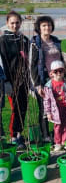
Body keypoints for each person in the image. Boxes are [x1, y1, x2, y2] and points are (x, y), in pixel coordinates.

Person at [30, 15, 63, 143]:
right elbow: (32, 65)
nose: (46, 28)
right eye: (44, 25)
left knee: (59, 106)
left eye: (48, 25)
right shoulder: (35, 43)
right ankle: (45, 135)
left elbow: (61, 59)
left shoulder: (55, 41)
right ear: (39, 28)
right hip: (43, 80)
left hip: (57, 79)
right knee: (44, 108)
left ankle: (58, 133)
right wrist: (37, 84)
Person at [0, 11, 30, 149]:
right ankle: (13, 135)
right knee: (16, 108)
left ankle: (19, 133)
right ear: (7, 23)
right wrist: (7, 81)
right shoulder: (3, 40)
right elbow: (3, 62)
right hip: (12, 80)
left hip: (24, 79)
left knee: (23, 107)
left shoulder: (23, 39)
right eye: (12, 23)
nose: (15, 25)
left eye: (17, 22)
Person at [43, 60, 66, 152]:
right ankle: (57, 143)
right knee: (57, 127)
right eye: (56, 71)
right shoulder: (48, 86)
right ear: (51, 73)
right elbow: (46, 100)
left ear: (64, 71)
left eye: (61, 71)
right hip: (55, 109)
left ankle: (65, 141)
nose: (59, 73)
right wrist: (48, 112)